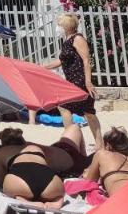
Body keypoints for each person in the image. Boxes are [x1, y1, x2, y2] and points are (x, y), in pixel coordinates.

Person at [42, 14, 103, 149]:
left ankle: (70, 140)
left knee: (67, 107)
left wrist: (88, 81)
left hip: (80, 80)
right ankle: (92, 143)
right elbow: (61, 61)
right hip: (71, 80)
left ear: (67, 26)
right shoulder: (67, 41)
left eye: (60, 25)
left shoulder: (78, 39)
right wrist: (43, 67)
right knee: (87, 112)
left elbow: (86, 61)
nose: (58, 28)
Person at [82, 127, 128, 199]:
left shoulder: (101, 154)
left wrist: (86, 174)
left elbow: (89, 181)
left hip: (121, 198)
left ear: (108, 145)